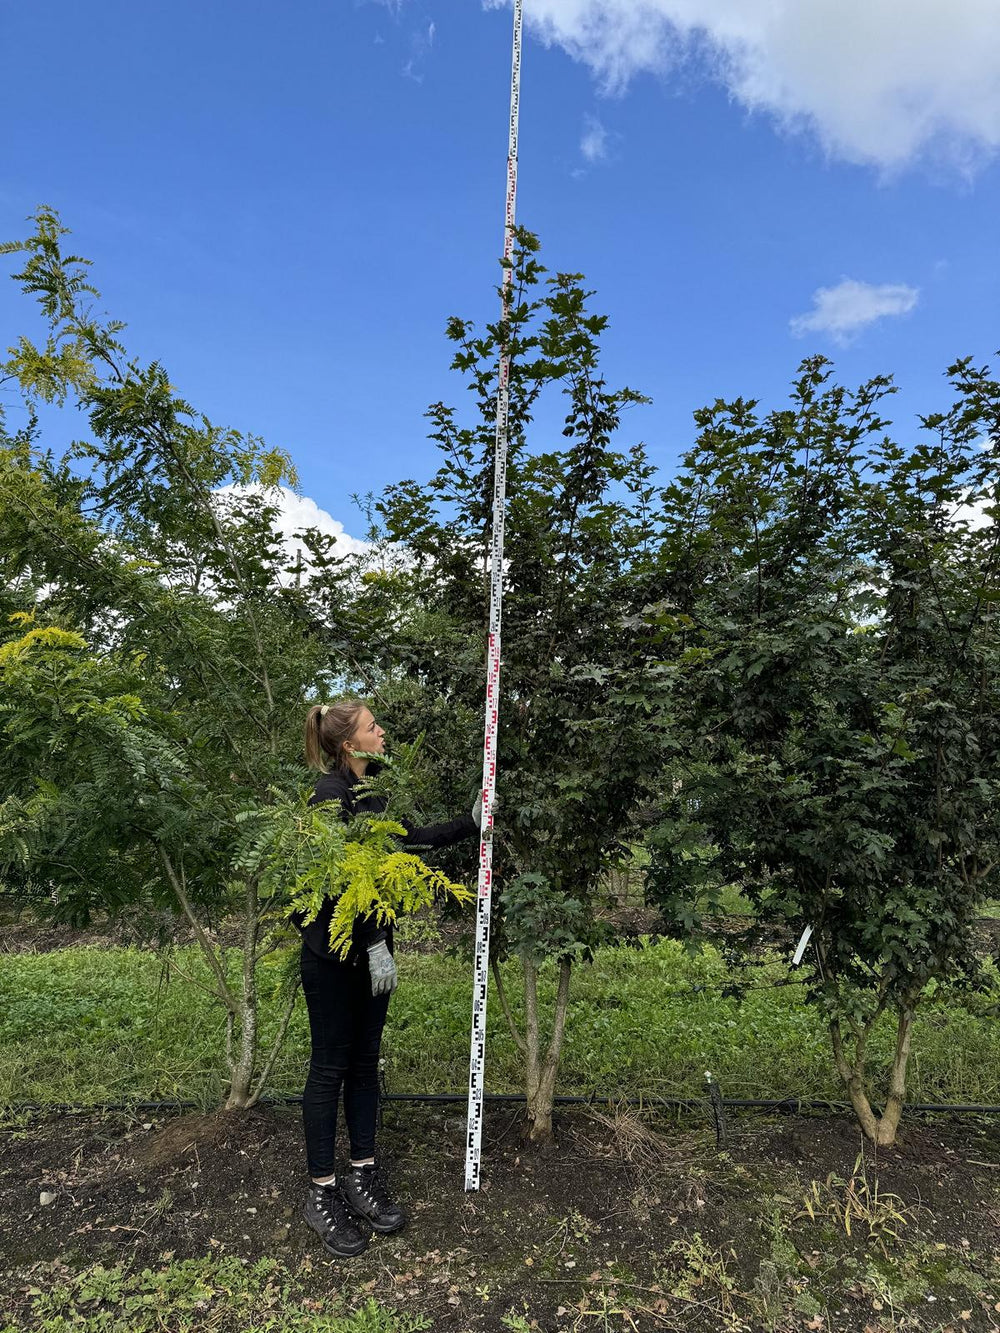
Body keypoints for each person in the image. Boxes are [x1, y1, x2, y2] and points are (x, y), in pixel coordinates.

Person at [297, 699, 480, 1258]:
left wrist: (468, 825)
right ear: (349, 744)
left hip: (375, 956)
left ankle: (362, 1174)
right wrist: (366, 943)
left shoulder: (371, 790)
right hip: (334, 962)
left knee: (364, 1064)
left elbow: (403, 843)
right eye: (373, 727)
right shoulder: (328, 799)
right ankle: (322, 1192)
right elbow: (324, 887)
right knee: (330, 1067)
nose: (382, 733)